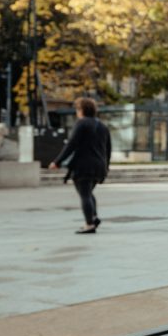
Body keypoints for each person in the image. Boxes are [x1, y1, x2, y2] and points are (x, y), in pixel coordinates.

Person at [48, 97, 111, 234]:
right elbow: (108, 149)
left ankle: (89, 224)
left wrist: (57, 161)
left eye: (77, 109)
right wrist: (106, 167)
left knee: (85, 195)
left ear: (81, 110)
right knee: (88, 193)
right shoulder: (103, 126)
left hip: (84, 165)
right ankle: (93, 217)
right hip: (99, 166)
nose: (77, 112)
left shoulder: (82, 123)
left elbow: (72, 144)